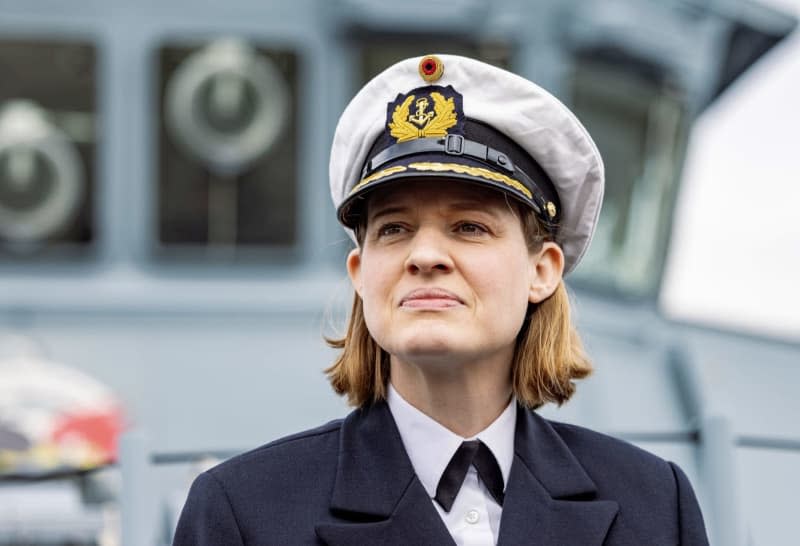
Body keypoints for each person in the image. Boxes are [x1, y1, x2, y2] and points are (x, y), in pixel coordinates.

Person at [173, 54, 709, 545]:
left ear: (542, 270)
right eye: (395, 228)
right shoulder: (242, 513)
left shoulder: (656, 505)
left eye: (469, 227)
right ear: (360, 274)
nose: (425, 255)